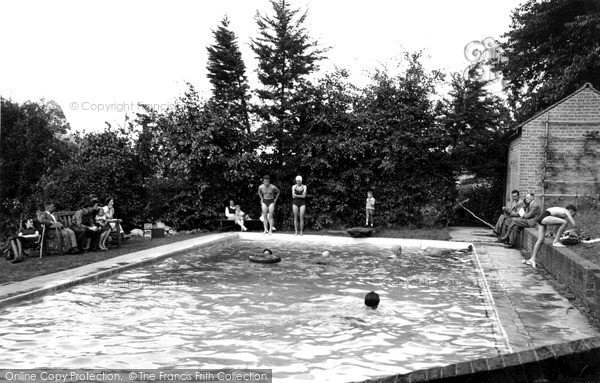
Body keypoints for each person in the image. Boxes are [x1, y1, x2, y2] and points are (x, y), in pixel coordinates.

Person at [522, 205, 578, 269]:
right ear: (572, 211)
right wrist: (578, 232)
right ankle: (555, 242)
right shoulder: (566, 211)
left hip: (542, 218)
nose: (574, 215)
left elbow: (558, 225)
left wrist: (555, 234)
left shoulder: (561, 212)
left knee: (541, 240)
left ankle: (532, 259)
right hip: (545, 217)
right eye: (574, 214)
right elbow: (573, 223)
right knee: (565, 222)